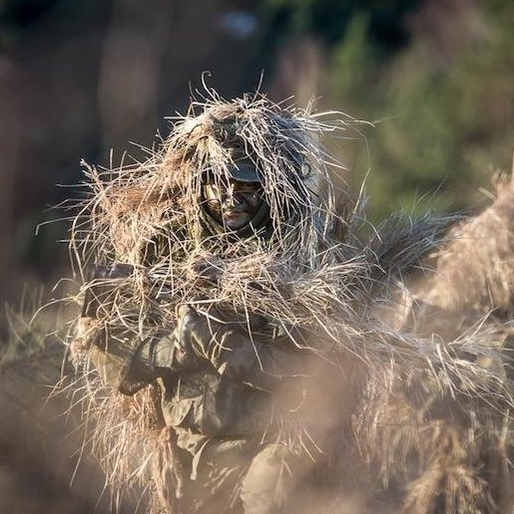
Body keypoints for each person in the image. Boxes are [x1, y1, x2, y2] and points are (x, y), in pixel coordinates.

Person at [73, 104, 352, 514]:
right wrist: (179, 345)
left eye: (246, 186)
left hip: (273, 442)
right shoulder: (163, 252)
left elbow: (322, 375)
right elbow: (113, 358)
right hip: (194, 449)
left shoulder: (300, 257)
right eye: (218, 183)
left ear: (269, 190)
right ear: (199, 186)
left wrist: (226, 348)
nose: (230, 197)